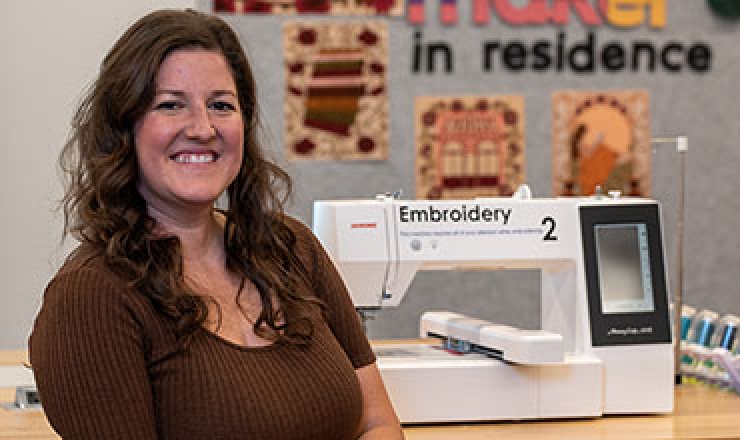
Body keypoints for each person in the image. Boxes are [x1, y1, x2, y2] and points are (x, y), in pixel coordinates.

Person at [29, 9, 403, 439]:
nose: (203, 128)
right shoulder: (91, 298)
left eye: (221, 105)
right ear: (125, 129)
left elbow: (378, 421)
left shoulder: (290, 248)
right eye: (171, 105)